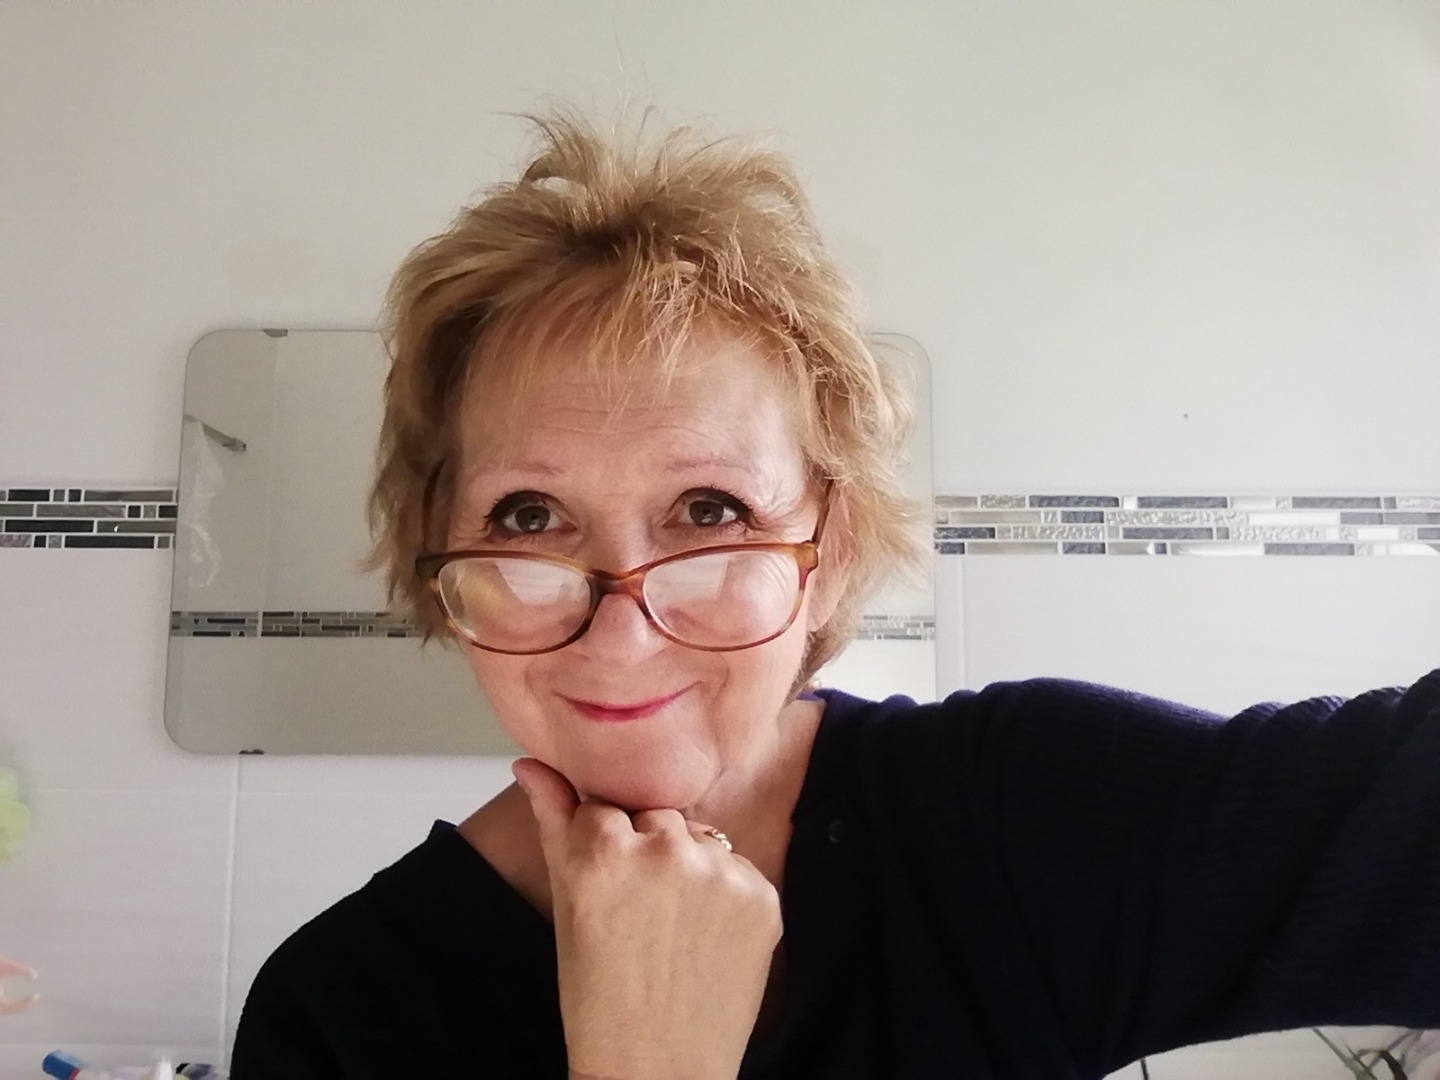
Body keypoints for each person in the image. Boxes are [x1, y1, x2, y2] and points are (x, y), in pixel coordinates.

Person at [230, 112, 1440, 1080]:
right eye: (529, 516)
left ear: (832, 548)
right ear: (444, 554)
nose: (623, 632)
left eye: (710, 510)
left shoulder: (1012, 823)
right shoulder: (340, 1015)